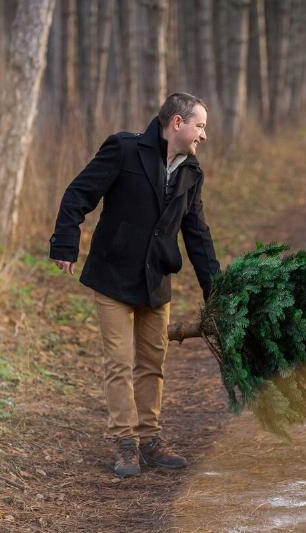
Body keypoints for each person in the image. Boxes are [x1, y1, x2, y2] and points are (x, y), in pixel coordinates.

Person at [49, 93, 220, 478]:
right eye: (200, 126)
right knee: (119, 362)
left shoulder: (192, 172)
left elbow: (198, 236)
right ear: (177, 123)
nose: (203, 136)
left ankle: (150, 439)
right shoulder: (124, 149)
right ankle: (126, 442)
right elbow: (79, 194)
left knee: (151, 364)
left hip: (156, 280)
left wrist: (217, 292)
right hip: (113, 275)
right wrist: (65, 243)